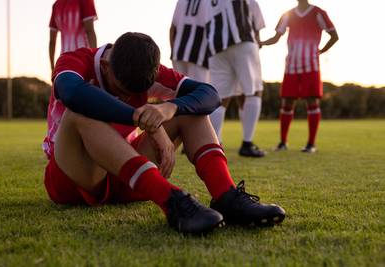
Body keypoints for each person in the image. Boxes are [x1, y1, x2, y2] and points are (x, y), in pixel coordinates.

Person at [42, 32, 285, 235]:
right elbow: (71, 92)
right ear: (105, 66)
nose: (128, 96)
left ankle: (227, 197)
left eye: (135, 93)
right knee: (78, 112)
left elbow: (209, 94)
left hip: (127, 175)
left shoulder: (150, 71)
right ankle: (171, 200)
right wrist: (142, 119)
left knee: (191, 109)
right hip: (75, 179)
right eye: (121, 90)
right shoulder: (76, 60)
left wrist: (170, 108)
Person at [260, 0, 338, 153]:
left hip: (311, 66)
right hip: (292, 66)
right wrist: (260, 43)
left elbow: (334, 36)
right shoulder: (288, 15)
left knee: (312, 101)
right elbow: (276, 37)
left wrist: (321, 51)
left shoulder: (318, 13)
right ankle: (283, 142)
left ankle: (311, 144)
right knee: (287, 102)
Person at [207, 0, 267, 157]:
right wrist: (257, 43)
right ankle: (247, 143)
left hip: (216, 47)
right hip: (242, 40)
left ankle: (215, 144)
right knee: (254, 92)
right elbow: (256, 24)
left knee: (219, 98)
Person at [49, 0, 98, 72]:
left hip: (63, 61)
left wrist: (53, 68)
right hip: (83, 59)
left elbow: (52, 42)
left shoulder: (56, 5)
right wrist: (94, 60)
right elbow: (89, 31)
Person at [170, 0, 210, 83]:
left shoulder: (181, 1)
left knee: (180, 90)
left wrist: (173, 50)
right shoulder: (209, 2)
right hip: (199, 54)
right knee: (199, 92)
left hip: (178, 52)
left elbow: (172, 28)